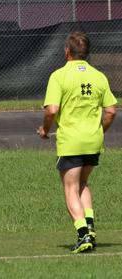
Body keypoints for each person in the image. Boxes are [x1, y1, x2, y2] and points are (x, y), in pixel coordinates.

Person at [38, 31, 116, 254]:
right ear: (87, 53)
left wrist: (44, 129)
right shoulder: (99, 76)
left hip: (71, 141)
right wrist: (100, 130)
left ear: (67, 52)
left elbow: (52, 109)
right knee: (83, 183)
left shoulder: (59, 76)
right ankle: (89, 228)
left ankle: (83, 236)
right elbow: (110, 111)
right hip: (93, 140)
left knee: (70, 187)